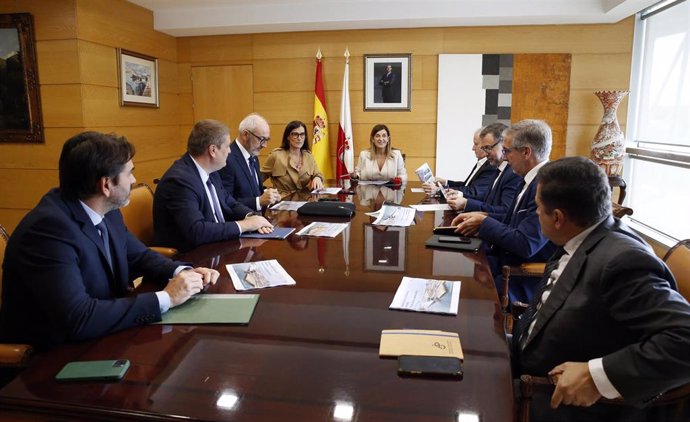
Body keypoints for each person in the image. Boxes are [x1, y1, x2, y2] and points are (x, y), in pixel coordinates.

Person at [0, 132, 219, 349]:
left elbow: (139, 256)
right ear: (106, 185)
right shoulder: (48, 231)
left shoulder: (107, 210)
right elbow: (78, 318)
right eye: (130, 173)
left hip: (105, 336)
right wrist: (166, 298)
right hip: (52, 360)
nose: (134, 180)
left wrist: (182, 272)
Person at [514, 156, 690, 422]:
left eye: (538, 207)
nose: (536, 214)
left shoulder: (623, 261)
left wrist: (597, 376)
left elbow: (685, 338)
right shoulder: (581, 238)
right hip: (526, 358)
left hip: (554, 398)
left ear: (558, 217)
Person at [452, 119, 556, 303]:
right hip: (501, 260)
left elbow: (525, 244)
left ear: (526, 152)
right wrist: (482, 216)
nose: (505, 158)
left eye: (507, 151)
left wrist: (484, 222)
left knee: (462, 292)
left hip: (519, 276)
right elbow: (512, 220)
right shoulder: (528, 178)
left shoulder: (546, 185)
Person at [153, 119, 273, 252]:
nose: (230, 151)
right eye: (227, 146)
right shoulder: (180, 181)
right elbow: (196, 231)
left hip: (218, 246)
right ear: (213, 150)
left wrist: (251, 217)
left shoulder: (211, 171)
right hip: (192, 257)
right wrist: (244, 225)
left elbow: (229, 202)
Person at [446, 123, 520, 215]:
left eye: (488, 148)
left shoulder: (513, 173)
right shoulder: (498, 169)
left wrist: (466, 204)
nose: (486, 153)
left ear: (503, 144)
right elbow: (487, 200)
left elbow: (505, 211)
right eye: (484, 148)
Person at [218, 113, 281, 211]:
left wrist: (269, 194)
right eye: (261, 139)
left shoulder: (253, 156)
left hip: (258, 219)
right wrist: (258, 201)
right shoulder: (227, 159)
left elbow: (253, 190)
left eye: (267, 140)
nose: (265, 145)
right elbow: (225, 202)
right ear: (245, 135)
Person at [423, 127, 499, 200]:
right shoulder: (482, 163)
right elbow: (466, 185)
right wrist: (445, 182)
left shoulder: (490, 166)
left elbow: (473, 192)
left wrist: (439, 190)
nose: (473, 148)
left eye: (476, 144)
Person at [260, 120, 324, 194]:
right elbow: (257, 180)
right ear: (288, 137)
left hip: (303, 200)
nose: (299, 138)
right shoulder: (276, 156)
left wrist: (317, 178)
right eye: (295, 134)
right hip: (281, 201)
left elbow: (318, 173)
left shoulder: (308, 156)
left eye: (302, 134)